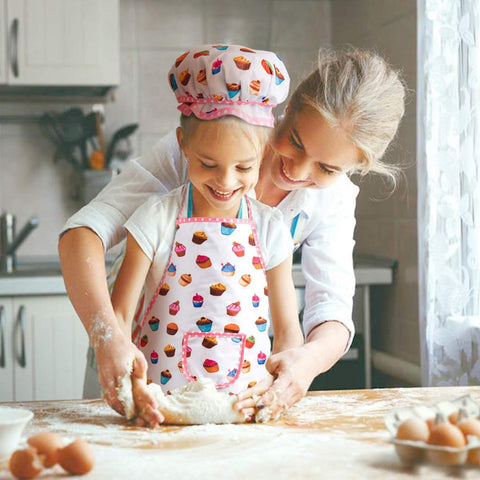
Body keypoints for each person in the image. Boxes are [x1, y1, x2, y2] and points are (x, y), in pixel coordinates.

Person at [59, 45, 405, 425]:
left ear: (353, 168)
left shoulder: (331, 201)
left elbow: (331, 308)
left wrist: (306, 363)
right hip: (140, 378)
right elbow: (85, 232)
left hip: (239, 396)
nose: (296, 170)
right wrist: (109, 338)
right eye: (295, 140)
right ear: (285, 111)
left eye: (326, 168)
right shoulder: (206, 142)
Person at [109, 45, 303, 422]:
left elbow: (287, 330)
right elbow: (118, 316)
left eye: (244, 167)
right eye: (209, 164)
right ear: (183, 146)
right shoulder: (154, 219)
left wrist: (279, 387)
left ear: (263, 154)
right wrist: (131, 382)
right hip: (162, 411)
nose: (226, 182)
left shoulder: (270, 229)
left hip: (247, 412)